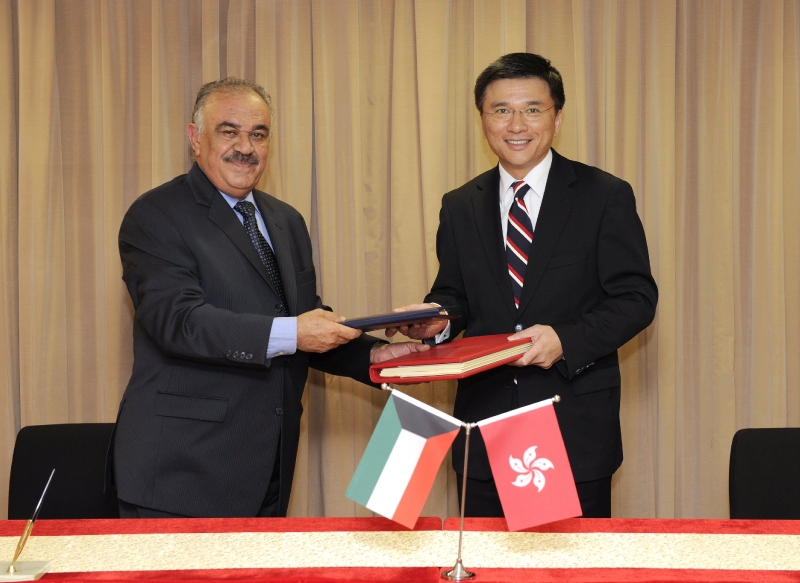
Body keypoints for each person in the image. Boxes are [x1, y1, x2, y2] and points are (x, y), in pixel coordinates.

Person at [112, 77, 426, 518]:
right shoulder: (157, 214)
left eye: (258, 134)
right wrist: (297, 331)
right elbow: (178, 322)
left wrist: (377, 357)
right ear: (194, 137)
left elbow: (304, 322)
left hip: (269, 465)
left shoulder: (286, 221)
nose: (246, 146)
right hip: (179, 474)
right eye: (229, 131)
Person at [387, 53, 658, 518]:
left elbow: (636, 299)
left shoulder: (603, 195)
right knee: (483, 565)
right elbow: (455, 296)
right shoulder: (459, 205)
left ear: (556, 117)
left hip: (568, 425)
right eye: (501, 110)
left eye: (533, 109)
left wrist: (565, 338)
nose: (517, 124)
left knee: (565, 572)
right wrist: (438, 320)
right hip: (483, 424)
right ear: (482, 119)